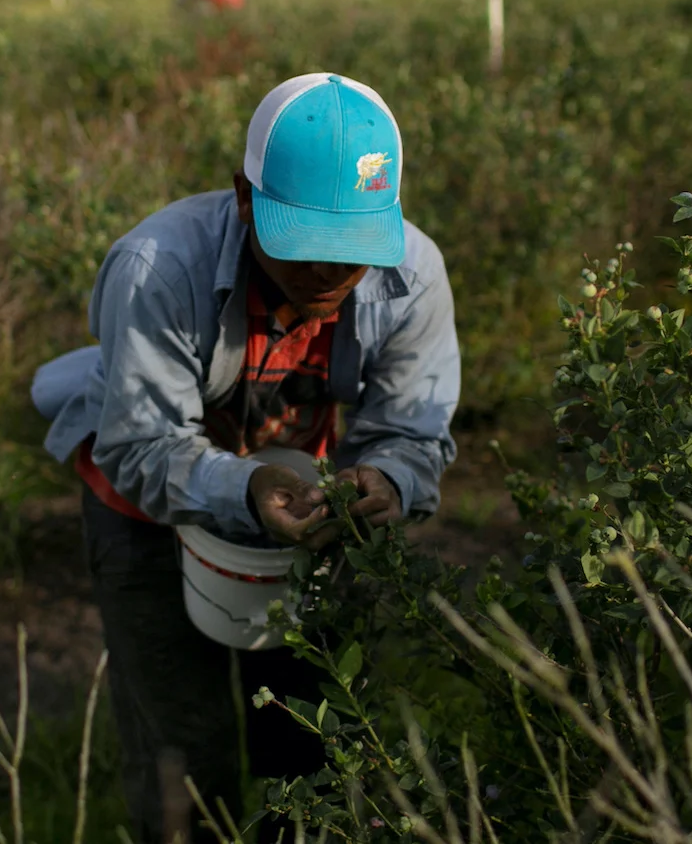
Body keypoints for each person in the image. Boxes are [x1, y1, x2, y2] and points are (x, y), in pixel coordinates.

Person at [31, 73, 460, 840]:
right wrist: (248, 483)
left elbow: (411, 431)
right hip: (145, 507)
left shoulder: (412, 275)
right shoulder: (158, 269)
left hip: (300, 503)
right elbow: (140, 445)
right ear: (243, 198)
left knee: (314, 733)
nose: (330, 273)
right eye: (308, 247)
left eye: (353, 249)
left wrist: (388, 480)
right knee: (181, 751)